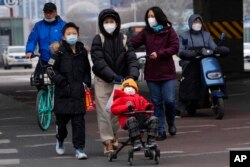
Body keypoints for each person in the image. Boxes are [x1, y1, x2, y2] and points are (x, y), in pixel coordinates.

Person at [90, 8, 140, 156]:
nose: (109, 24)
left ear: (117, 23)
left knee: (117, 111)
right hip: (103, 81)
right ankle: (107, 141)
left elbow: (131, 59)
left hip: (121, 81)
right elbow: (98, 61)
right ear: (101, 23)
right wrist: (112, 76)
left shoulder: (124, 39)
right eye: (106, 22)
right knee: (103, 113)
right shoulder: (98, 39)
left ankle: (114, 135)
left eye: (112, 21)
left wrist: (132, 76)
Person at [131, 6, 179, 141]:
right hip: (152, 73)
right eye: (148, 17)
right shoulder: (146, 32)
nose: (150, 19)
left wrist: (159, 53)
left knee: (169, 101)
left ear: (159, 16)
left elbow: (175, 47)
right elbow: (133, 43)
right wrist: (123, 42)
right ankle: (160, 130)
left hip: (167, 73)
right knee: (157, 103)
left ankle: (171, 123)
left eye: (152, 16)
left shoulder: (169, 30)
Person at [46, 22, 91, 159]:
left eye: (74, 33)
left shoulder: (82, 51)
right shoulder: (59, 52)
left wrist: (86, 83)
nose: (72, 36)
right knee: (62, 124)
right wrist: (63, 83)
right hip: (63, 94)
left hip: (78, 94)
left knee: (79, 124)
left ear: (78, 34)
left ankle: (79, 149)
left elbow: (87, 70)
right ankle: (60, 139)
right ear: (64, 36)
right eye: (68, 34)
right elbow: (50, 69)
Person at [176, 14, 221, 116]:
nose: (197, 24)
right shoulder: (184, 36)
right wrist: (188, 53)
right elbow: (180, 50)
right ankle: (183, 105)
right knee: (189, 81)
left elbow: (214, 47)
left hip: (205, 61)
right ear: (190, 23)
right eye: (195, 22)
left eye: (199, 22)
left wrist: (219, 50)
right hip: (190, 62)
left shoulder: (207, 35)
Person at [25, 2, 66, 89]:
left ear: (55, 12)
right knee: (38, 80)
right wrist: (29, 51)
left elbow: (68, 40)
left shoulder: (63, 25)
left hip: (60, 60)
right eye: (46, 12)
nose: (48, 14)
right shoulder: (38, 26)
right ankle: (43, 96)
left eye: (50, 12)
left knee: (62, 82)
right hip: (44, 59)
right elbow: (32, 40)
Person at [110, 79, 158, 150]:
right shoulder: (120, 98)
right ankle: (136, 141)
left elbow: (145, 103)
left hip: (141, 119)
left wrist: (148, 106)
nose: (130, 89)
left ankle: (151, 140)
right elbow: (114, 109)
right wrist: (126, 107)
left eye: (132, 87)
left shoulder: (139, 97)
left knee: (154, 119)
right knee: (132, 120)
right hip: (127, 120)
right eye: (127, 87)